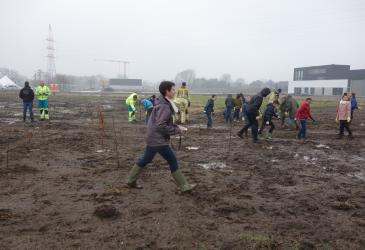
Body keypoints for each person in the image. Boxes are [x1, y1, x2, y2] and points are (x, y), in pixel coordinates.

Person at [126, 81, 196, 192]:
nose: (175, 91)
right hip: (158, 139)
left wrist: (177, 126)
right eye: (173, 89)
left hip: (152, 137)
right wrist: (177, 130)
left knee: (146, 159)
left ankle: (130, 181)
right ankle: (184, 186)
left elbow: (162, 122)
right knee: (172, 160)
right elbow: (161, 125)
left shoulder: (161, 101)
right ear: (167, 91)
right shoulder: (165, 106)